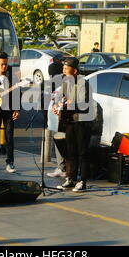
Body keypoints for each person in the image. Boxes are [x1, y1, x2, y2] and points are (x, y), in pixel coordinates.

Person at [52, 57, 94, 192]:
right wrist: (56, 105)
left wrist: (70, 104)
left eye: (66, 68)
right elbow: (58, 97)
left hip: (82, 121)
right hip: (69, 120)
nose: (63, 70)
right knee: (70, 152)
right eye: (63, 68)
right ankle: (71, 178)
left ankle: (83, 181)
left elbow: (83, 104)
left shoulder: (83, 83)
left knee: (82, 152)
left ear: (74, 70)